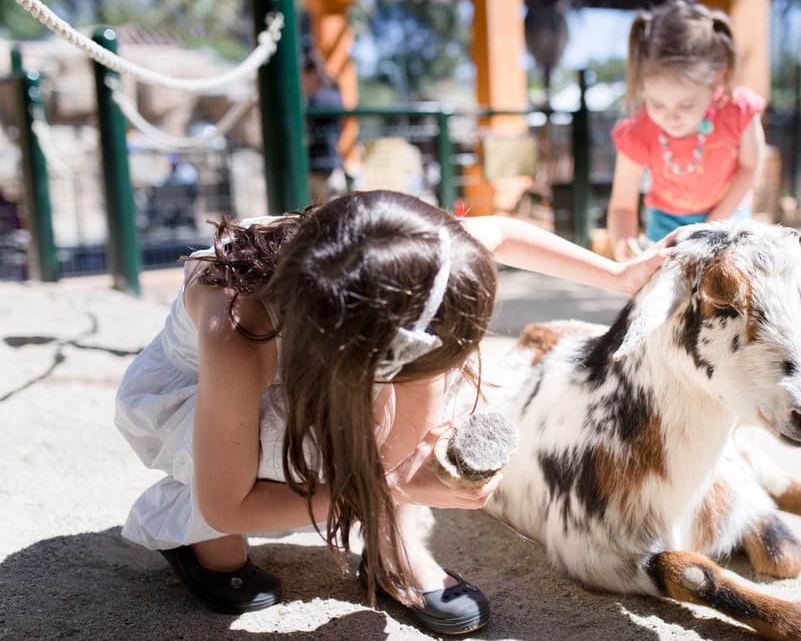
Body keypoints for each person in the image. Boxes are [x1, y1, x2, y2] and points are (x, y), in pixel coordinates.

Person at [114, 190, 671, 635]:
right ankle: (197, 545)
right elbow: (228, 502)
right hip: (200, 393)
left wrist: (617, 277)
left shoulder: (410, 250)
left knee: (422, 378)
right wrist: (390, 485)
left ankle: (390, 544)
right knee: (270, 466)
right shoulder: (237, 330)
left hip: (338, 345)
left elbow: (500, 232)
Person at [606, 0, 767, 261]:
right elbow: (623, 206)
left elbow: (750, 167)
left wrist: (711, 227)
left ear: (717, 79)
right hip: (666, 230)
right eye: (657, 103)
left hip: (730, 221)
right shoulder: (638, 132)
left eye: (686, 103)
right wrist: (624, 246)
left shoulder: (738, 110)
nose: (671, 116)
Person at [301, 56, 346, 203]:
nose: (302, 82)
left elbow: (307, 133)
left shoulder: (318, 100)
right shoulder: (334, 95)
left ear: (312, 75)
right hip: (331, 165)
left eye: (303, 77)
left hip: (321, 171)